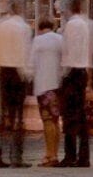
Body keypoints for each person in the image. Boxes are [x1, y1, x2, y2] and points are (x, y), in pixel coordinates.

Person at [0, 0, 34, 168]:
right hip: (17, 72)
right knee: (18, 115)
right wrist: (27, 74)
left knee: (5, 113)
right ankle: (16, 156)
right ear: (20, 10)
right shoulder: (24, 28)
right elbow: (25, 52)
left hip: (2, 71)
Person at [58, 0, 93, 168]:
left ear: (71, 9)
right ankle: (84, 156)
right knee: (81, 116)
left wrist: (63, 74)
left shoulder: (72, 25)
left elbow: (68, 50)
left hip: (73, 72)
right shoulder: (85, 25)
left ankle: (70, 155)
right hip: (82, 71)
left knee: (69, 116)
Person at [30, 9, 69, 167]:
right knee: (55, 120)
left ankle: (49, 154)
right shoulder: (60, 39)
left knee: (47, 121)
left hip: (43, 85)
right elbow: (66, 61)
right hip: (57, 85)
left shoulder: (38, 41)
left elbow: (31, 63)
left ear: (39, 27)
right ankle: (55, 153)